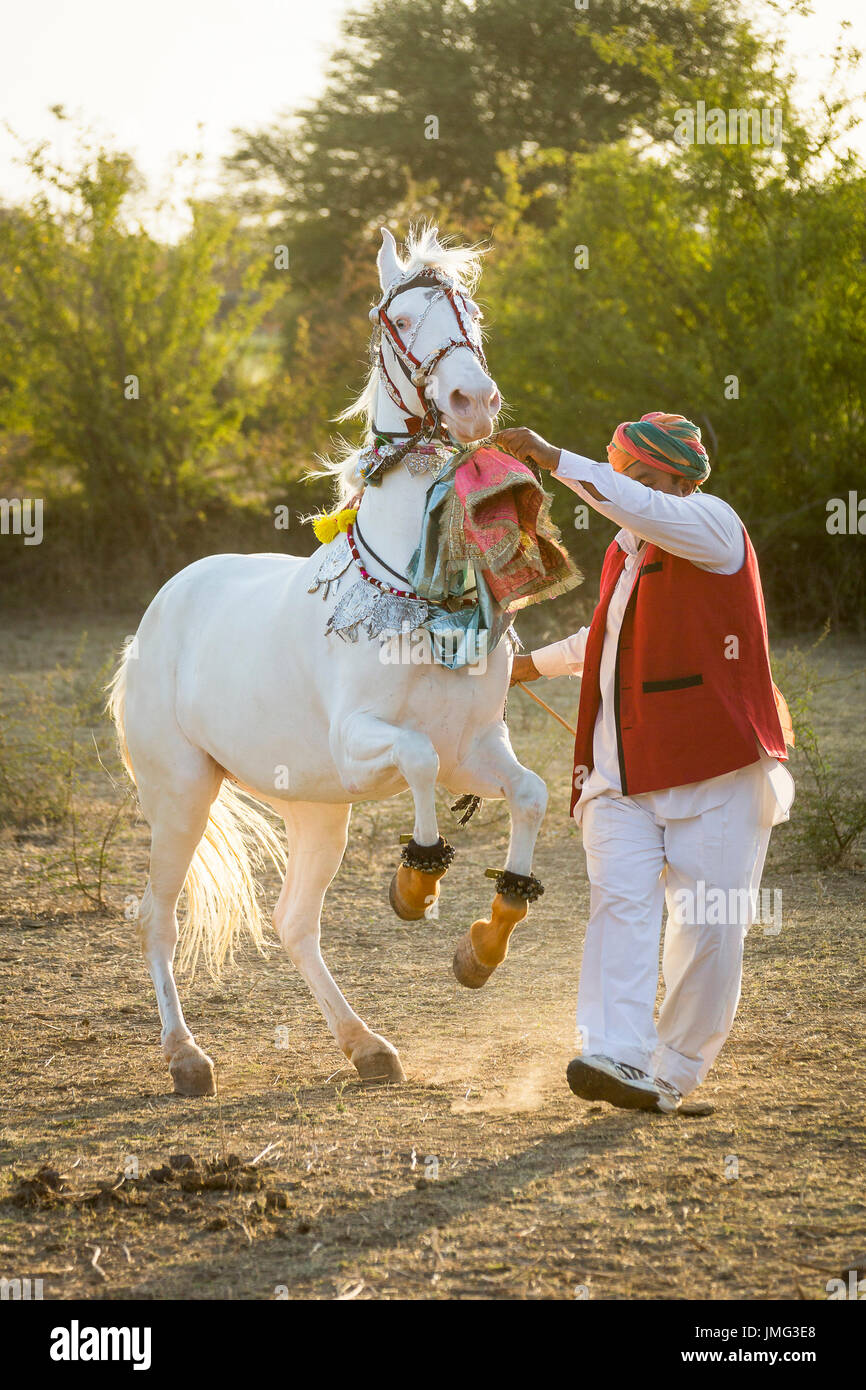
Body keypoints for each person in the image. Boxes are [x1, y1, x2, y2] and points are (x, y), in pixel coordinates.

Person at [495, 414, 793, 1114]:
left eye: (639, 477)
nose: (625, 493)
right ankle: (617, 1053)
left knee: (708, 929)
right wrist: (515, 669)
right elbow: (598, 636)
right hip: (618, 775)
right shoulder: (625, 553)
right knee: (620, 909)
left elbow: (636, 507)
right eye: (619, 474)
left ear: (678, 481)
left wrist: (553, 456)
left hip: (721, 773)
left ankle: (673, 1073)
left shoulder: (715, 527)